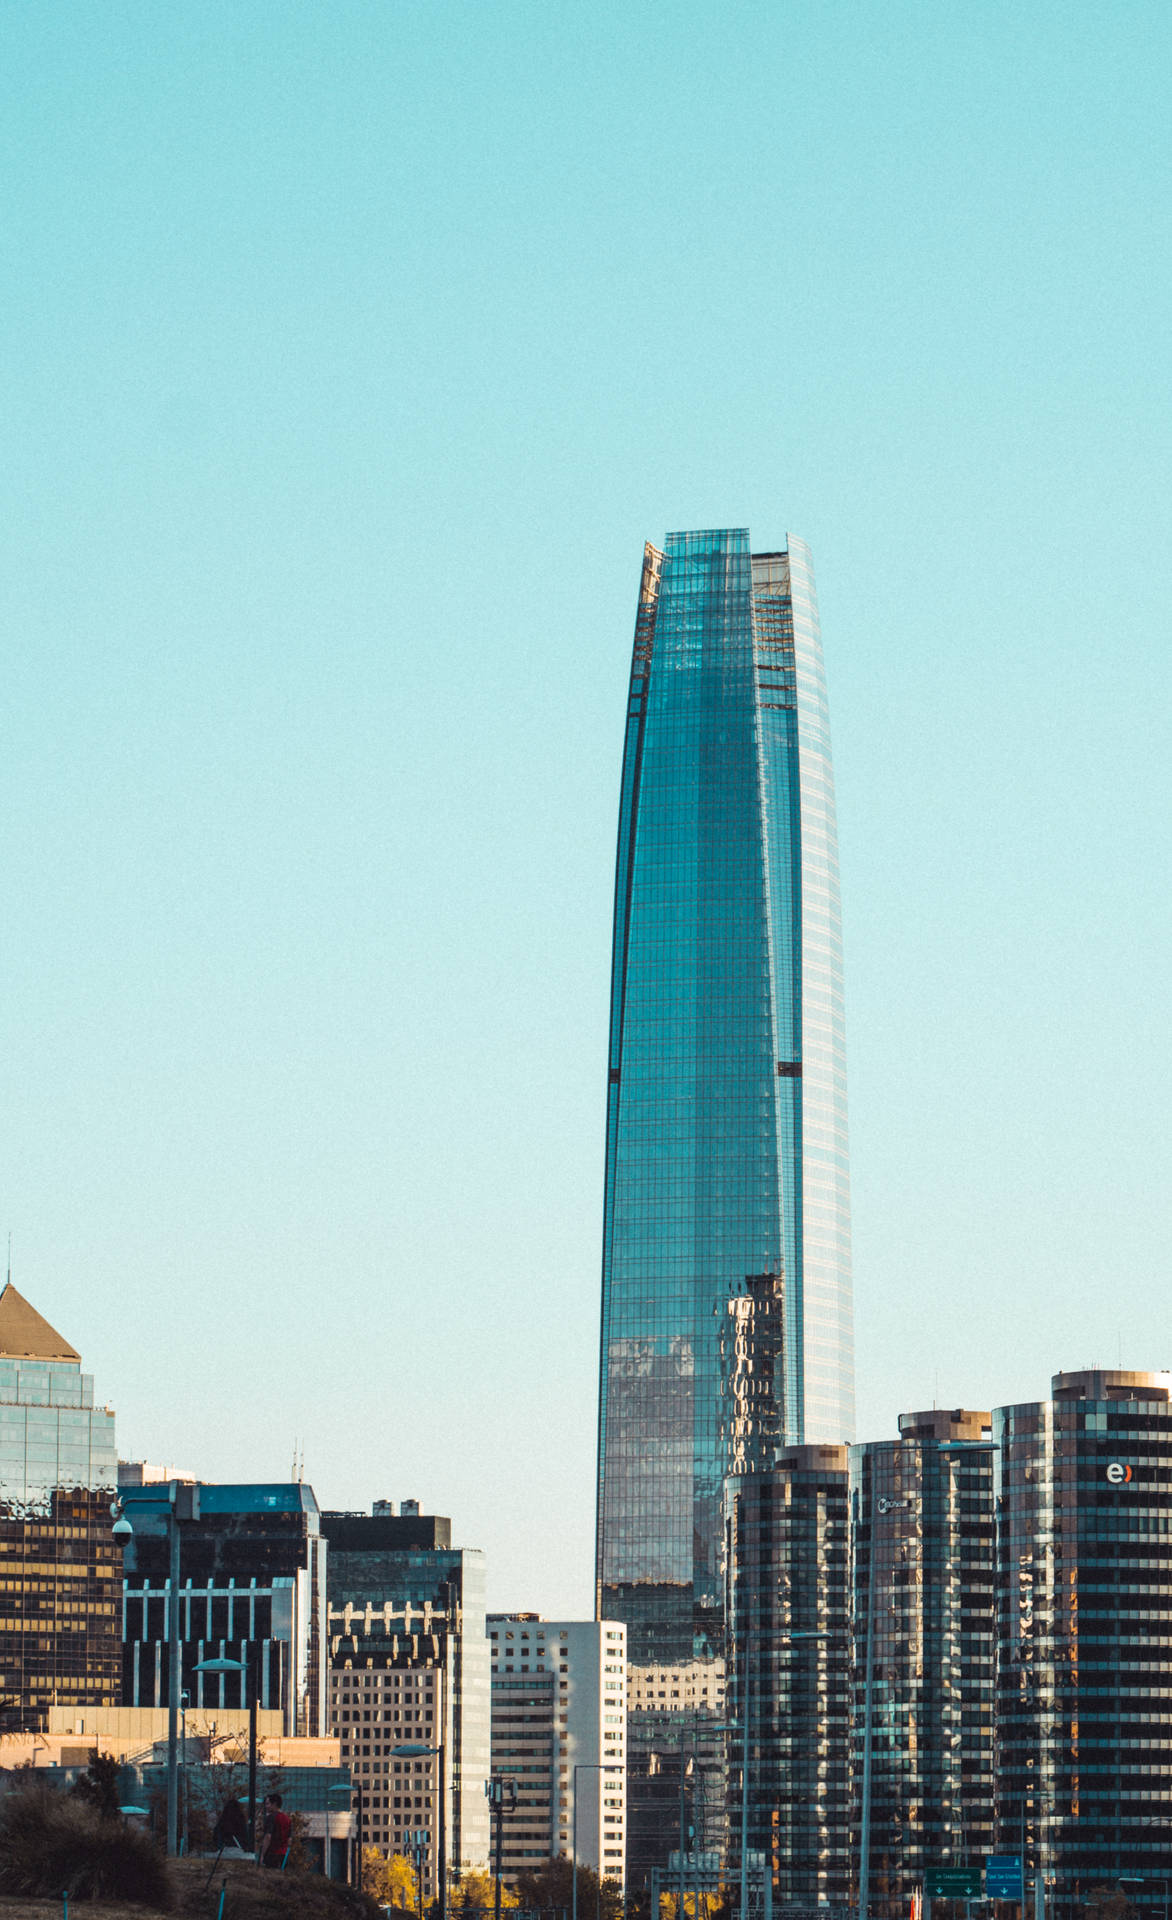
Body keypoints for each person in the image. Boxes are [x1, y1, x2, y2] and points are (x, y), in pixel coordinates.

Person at [257, 1792, 292, 1869]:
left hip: (271, 1854)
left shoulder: (271, 1818)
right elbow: (289, 1839)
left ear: (274, 1804)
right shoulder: (287, 1819)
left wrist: (262, 1855)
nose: (266, 1807)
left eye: (268, 1804)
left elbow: (268, 1837)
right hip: (283, 1855)